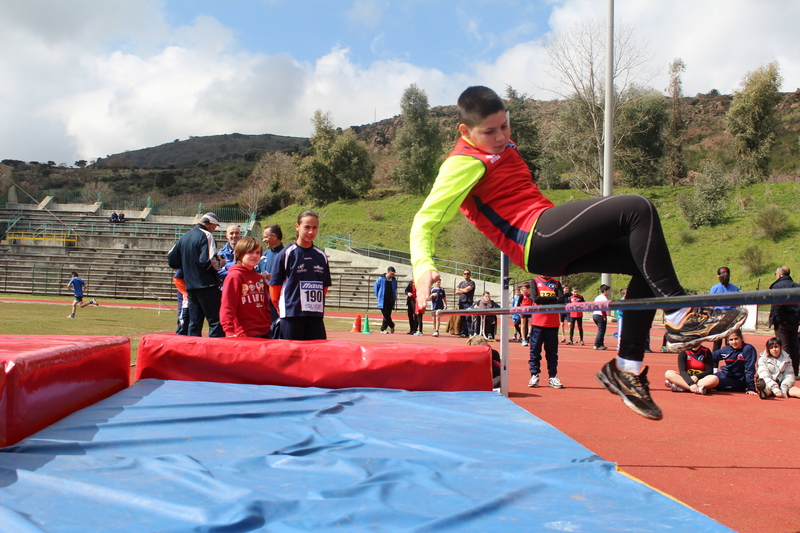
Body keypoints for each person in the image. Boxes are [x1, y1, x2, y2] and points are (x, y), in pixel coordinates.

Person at [409, 85, 746, 420]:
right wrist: (423, 265)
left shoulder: (497, 144)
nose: (500, 137)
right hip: (534, 238)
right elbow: (425, 220)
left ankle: (626, 369)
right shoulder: (461, 164)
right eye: (489, 131)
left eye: (505, 126)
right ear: (465, 132)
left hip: (548, 239)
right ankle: (680, 316)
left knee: (643, 263)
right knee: (638, 209)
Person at [269, 210, 332, 341]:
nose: (311, 232)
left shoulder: (321, 256)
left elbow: (324, 287)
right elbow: (275, 285)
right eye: (307, 227)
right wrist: (278, 305)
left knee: (317, 354)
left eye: (315, 228)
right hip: (292, 315)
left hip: (315, 316)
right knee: (292, 355)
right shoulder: (286, 254)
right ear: (297, 227)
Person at [167, 212, 225, 337]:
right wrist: (220, 263)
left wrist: (188, 265)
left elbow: (172, 259)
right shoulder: (207, 235)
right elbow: (207, 261)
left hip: (191, 286)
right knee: (215, 322)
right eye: (215, 226)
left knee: (194, 323)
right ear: (211, 225)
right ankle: (215, 352)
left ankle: (193, 352)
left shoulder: (184, 236)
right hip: (207, 285)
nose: (214, 229)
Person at [220, 236, 271, 338]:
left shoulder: (259, 278)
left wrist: (268, 322)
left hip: (264, 330)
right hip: (244, 333)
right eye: (250, 252)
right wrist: (229, 330)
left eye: (257, 253)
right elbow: (228, 305)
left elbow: (265, 304)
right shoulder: (235, 276)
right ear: (240, 254)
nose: (255, 256)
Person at [527, 275, 564, 389]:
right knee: (535, 350)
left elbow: (562, 300)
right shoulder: (534, 281)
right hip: (538, 322)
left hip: (553, 323)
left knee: (552, 352)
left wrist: (546, 301)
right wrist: (553, 299)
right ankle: (534, 375)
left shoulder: (556, 283)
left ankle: (552, 377)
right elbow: (535, 299)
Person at [704, 329, 758, 395]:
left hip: (738, 381)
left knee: (713, 381)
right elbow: (710, 357)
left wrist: (751, 388)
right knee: (708, 378)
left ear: (741, 338)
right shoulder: (726, 349)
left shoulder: (748, 349)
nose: (734, 342)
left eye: (736, 339)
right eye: (731, 340)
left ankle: (695, 387)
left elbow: (749, 369)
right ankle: (693, 386)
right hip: (724, 374)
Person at [768, 266, 800, 377]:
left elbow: (777, 305)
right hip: (795, 321)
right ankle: (795, 371)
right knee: (794, 346)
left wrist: (781, 320)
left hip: (783, 322)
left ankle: (787, 373)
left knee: (784, 347)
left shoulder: (777, 286)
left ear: (779, 275)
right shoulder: (797, 286)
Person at [255, 224, 284, 336]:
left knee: (276, 330)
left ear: (274, 236)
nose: (263, 240)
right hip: (262, 300)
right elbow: (255, 272)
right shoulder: (263, 255)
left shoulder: (287, 253)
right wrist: (260, 276)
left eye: (265, 237)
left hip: (279, 300)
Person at [709, 266, 740, 351]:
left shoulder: (714, 288)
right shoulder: (735, 288)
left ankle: (714, 364)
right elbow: (738, 305)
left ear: (718, 276)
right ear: (729, 275)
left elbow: (711, 306)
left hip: (718, 316)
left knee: (717, 344)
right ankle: (731, 362)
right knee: (731, 343)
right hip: (731, 317)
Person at [373, 266, 398, 334]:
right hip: (382, 300)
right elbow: (376, 288)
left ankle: (383, 329)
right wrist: (379, 296)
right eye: (392, 273)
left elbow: (394, 289)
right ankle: (392, 325)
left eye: (394, 274)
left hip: (390, 300)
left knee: (388, 315)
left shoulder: (394, 281)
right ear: (388, 272)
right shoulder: (380, 279)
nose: (393, 275)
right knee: (385, 315)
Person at [455, 270, 476, 337]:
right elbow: (456, 292)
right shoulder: (461, 283)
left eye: (467, 274)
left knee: (468, 318)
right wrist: (463, 290)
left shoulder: (472, 283)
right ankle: (464, 332)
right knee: (463, 318)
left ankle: (470, 332)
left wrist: (461, 290)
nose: (466, 275)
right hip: (461, 302)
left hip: (468, 302)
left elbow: (467, 290)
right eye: (465, 274)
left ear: (470, 275)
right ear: (463, 275)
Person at [592, 285, 610, 351]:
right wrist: (604, 316)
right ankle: (597, 345)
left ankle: (601, 344)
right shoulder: (604, 299)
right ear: (605, 291)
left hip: (595, 314)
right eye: (608, 291)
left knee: (601, 330)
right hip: (600, 315)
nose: (609, 292)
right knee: (601, 331)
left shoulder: (597, 297)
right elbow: (603, 309)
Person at [172, 269, 189, 335]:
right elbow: (177, 278)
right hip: (186, 299)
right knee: (184, 321)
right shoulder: (183, 266)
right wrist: (186, 293)